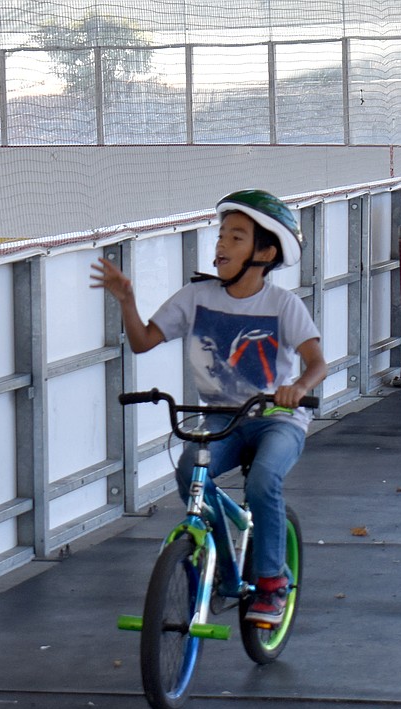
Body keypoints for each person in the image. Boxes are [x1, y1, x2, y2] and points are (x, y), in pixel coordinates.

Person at [90, 189, 327, 624]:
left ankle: (272, 583)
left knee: (263, 483)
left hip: (276, 418)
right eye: (221, 236)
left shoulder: (282, 305)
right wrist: (126, 300)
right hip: (223, 417)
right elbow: (143, 342)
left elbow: (317, 363)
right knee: (188, 474)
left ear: (265, 251)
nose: (221, 245)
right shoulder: (195, 297)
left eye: (237, 238)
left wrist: (296, 386)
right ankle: (221, 564)